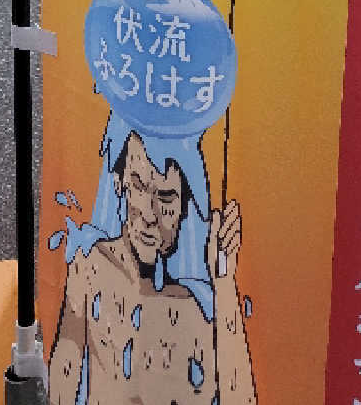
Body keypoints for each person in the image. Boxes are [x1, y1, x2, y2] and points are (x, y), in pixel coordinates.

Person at [49, 127, 256, 405]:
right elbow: (63, 373)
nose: (149, 214)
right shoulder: (89, 269)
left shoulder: (192, 310)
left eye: (166, 197)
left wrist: (225, 282)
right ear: (120, 181)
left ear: (184, 206)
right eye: (139, 185)